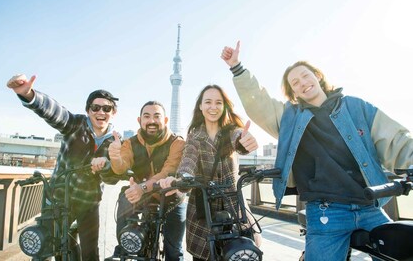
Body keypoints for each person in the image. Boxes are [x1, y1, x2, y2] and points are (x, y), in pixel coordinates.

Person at [221, 41, 413, 261]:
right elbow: (260, 103)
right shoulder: (291, 118)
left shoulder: (356, 107)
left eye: (305, 76)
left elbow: (395, 139)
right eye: (295, 83)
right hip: (326, 212)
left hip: (369, 206)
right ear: (293, 92)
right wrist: (237, 67)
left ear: (318, 76)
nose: (302, 83)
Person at [6, 74, 120, 261]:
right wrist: (29, 95)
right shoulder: (74, 124)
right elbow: (55, 111)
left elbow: (112, 177)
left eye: (107, 108)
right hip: (60, 196)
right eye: (95, 107)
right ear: (88, 110)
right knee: (52, 245)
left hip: (88, 201)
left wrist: (106, 166)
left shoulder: (114, 142)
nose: (101, 112)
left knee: (91, 252)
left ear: (113, 113)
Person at [159, 85, 260, 261]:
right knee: (204, 254)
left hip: (233, 204)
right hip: (202, 207)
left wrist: (245, 141)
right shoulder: (194, 136)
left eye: (218, 102)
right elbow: (188, 161)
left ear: (224, 106)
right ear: (200, 106)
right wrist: (181, 179)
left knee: (244, 251)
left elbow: (239, 138)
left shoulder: (232, 131)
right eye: (208, 102)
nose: (213, 107)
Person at [102, 101, 186, 261]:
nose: (151, 121)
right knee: (125, 197)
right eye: (146, 116)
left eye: (157, 116)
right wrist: (115, 157)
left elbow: (168, 171)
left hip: (171, 199)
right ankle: (123, 245)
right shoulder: (130, 143)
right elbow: (121, 167)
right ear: (139, 120)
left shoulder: (178, 143)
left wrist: (142, 187)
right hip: (141, 196)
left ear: (166, 120)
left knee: (174, 250)